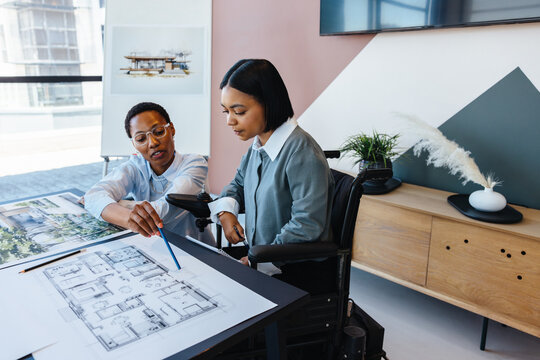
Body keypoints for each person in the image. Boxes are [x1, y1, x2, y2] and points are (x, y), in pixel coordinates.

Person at [209, 59, 335, 291]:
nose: (230, 121)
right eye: (226, 111)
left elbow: (306, 224)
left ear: (269, 103)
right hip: (262, 259)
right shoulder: (258, 147)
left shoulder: (302, 152)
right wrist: (226, 213)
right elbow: (237, 184)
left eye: (239, 111)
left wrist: (259, 261)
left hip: (294, 273)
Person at [84, 102, 214, 245]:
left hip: (193, 251)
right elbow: (92, 197)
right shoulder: (135, 166)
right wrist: (131, 218)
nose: (152, 143)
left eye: (158, 132)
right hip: (151, 247)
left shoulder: (195, 163)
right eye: (141, 139)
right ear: (134, 144)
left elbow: (162, 213)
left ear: (171, 129)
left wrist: (119, 205)